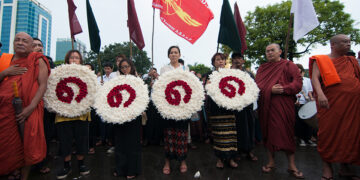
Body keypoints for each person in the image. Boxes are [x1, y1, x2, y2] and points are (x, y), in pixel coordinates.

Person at [310, 34, 360, 180]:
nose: (348, 44)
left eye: (349, 42)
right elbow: (314, 78)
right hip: (331, 105)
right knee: (328, 135)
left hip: (352, 106)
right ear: (333, 45)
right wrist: (320, 94)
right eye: (344, 42)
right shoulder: (321, 60)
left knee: (350, 135)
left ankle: (345, 167)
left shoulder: (351, 61)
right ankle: (327, 168)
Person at [0, 32, 50, 180]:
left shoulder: (37, 59)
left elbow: (43, 85)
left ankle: (24, 176)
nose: (20, 43)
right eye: (17, 40)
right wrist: (5, 73)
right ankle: (11, 170)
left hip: (29, 108)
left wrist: (30, 108)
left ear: (30, 46)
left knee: (29, 142)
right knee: (8, 145)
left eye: (24, 41)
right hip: (5, 109)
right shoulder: (5, 59)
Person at [255, 43, 304, 178]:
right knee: (269, 133)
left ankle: (291, 165)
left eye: (272, 50)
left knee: (287, 133)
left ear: (280, 52)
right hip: (267, 106)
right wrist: (270, 89)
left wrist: (284, 88)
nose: (269, 53)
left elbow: (298, 83)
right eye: (267, 51)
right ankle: (271, 162)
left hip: (284, 105)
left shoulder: (289, 65)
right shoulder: (262, 68)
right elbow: (257, 85)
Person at [55, 50, 91, 179]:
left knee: (81, 140)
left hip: (82, 113)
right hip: (63, 113)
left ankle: (81, 164)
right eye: (72, 58)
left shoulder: (86, 74)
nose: (74, 60)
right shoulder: (58, 73)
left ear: (81, 60)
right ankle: (66, 165)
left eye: (77, 58)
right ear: (67, 60)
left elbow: (92, 91)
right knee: (65, 140)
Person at [205, 53, 238, 169]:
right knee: (218, 135)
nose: (220, 61)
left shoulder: (231, 73)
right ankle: (219, 159)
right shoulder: (210, 75)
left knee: (231, 134)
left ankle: (231, 158)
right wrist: (208, 85)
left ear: (225, 62)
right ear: (213, 62)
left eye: (222, 59)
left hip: (229, 108)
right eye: (217, 60)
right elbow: (207, 89)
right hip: (216, 109)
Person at [160, 46, 189, 175]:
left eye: (175, 52)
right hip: (168, 104)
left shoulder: (185, 68)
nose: (173, 54)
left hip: (182, 105)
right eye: (171, 52)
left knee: (182, 133)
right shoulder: (164, 69)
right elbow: (161, 85)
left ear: (179, 54)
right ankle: (167, 162)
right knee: (169, 134)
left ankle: (182, 161)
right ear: (168, 55)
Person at [112, 58, 142, 179]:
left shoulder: (137, 80)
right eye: (122, 67)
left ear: (131, 67)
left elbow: (141, 98)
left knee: (132, 144)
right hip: (119, 116)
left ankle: (132, 169)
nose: (125, 69)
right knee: (120, 143)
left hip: (133, 116)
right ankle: (120, 169)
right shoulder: (116, 80)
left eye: (127, 66)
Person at [32, 37, 56, 174]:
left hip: (46, 105)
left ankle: (41, 162)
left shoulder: (47, 63)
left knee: (45, 134)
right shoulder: (23, 63)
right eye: (34, 45)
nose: (38, 47)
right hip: (27, 105)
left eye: (40, 45)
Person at [230, 53, 258, 161]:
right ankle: (237, 151)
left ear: (243, 61)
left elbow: (254, 89)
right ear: (232, 60)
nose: (237, 60)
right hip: (235, 106)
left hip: (248, 105)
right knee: (236, 129)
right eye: (235, 58)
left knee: (250, 127)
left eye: (239, 58)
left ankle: (250, 150)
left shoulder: (249, 74)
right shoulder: (229, 73)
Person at [294, 64, 316, 147]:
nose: (299, 74)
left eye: (300, 72)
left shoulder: (307, 80)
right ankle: (301, 139)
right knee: (299, 122)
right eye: (297, 72)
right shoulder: (293, 80)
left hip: (306, 102)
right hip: (298, 103)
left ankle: (308, 138)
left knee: (308, 122)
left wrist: (311, 98)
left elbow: (310, 91)